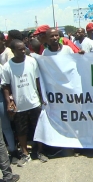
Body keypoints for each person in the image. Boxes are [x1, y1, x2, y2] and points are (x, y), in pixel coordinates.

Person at [2, 39, 49, 167]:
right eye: (20, 49)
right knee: (21, 131)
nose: (23, 51)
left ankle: (40, 151)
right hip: (19, 105)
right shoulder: (7, 67)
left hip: (34, 102)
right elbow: (5, 86)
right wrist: (9, 102)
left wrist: (42, 96)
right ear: (13, 51)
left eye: (24, 48)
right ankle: (25, 153)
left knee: (38, 128)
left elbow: (38, 80)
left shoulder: (31, 61)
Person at [0, 33, 17, 165]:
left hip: (5, 93)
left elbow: (7, 81)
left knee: (7, 125)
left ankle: (12, 150)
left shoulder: (8, 55)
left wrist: (9, 99)